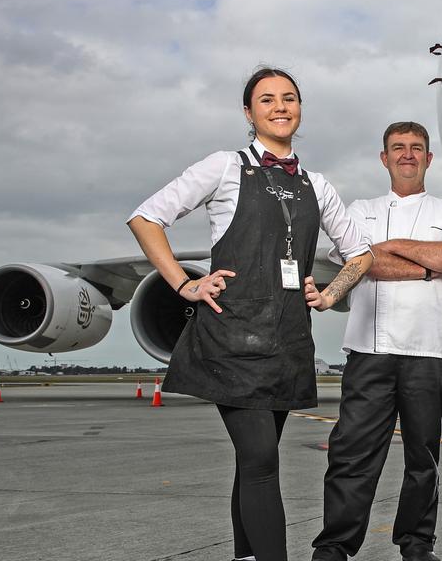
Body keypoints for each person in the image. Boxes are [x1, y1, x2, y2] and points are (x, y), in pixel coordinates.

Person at [127, 67, 372, 561]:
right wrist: (184, 283)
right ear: (249, 112)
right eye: (267, 100)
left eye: (289, 98)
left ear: (299, 108)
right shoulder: (224, 166)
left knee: (252, 462)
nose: (280, 107)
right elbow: (146, 217)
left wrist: (328, 293)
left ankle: (244, 555)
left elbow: (361, 252)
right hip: (231, 338)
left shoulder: (315, 184)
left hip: (287, 341)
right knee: (261, 462)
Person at [311, 121, 442, 561]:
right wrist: (426, 263)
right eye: (398, 148)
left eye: (416, 148)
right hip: (371, 349)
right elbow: (358, 263)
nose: (407, 155)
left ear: (428, 158)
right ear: (384, 158)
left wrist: (383, 249)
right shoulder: (359, 209)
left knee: (424, 458)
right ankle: (334, 545)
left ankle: (417, 543)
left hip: (433, 352)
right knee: (352, 455)